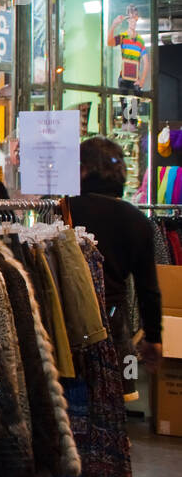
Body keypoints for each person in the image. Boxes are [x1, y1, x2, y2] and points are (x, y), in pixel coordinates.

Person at [67, 137, 164, 388]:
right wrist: (153, 337)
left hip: (68, 322)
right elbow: (148, 289)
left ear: (83, 169)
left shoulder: (65, 211)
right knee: (114, 396)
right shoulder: (138, 221)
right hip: (114, 323)